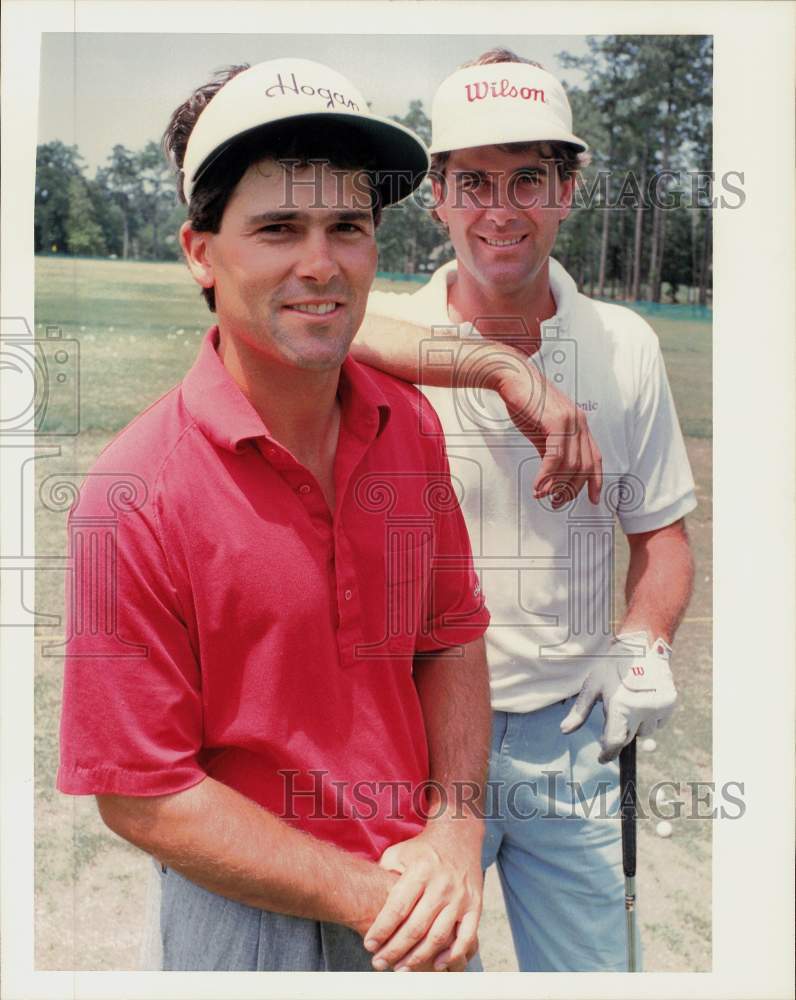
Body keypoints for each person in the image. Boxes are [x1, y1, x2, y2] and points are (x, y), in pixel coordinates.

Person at [56, 58, 497, 974]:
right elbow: (142, 793)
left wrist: (455, 831)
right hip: (247, 923)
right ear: (200, 252)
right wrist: (366, 892)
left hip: (421, 891)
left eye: (348, 227)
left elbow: (450, 635)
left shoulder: (407, 422)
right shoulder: (132, 493)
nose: (320, 263)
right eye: (278, 229)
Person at [353, 48, 697, 972]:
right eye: (472, 182)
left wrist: (642, 643)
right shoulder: (379, 333)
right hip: (415, 742)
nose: (499, 210)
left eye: (528, 180)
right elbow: (285, 316)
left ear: (568, 190)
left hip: (571, 741)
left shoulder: (623, 345)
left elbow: (660, 536)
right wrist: (500, 367)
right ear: (436, 196)